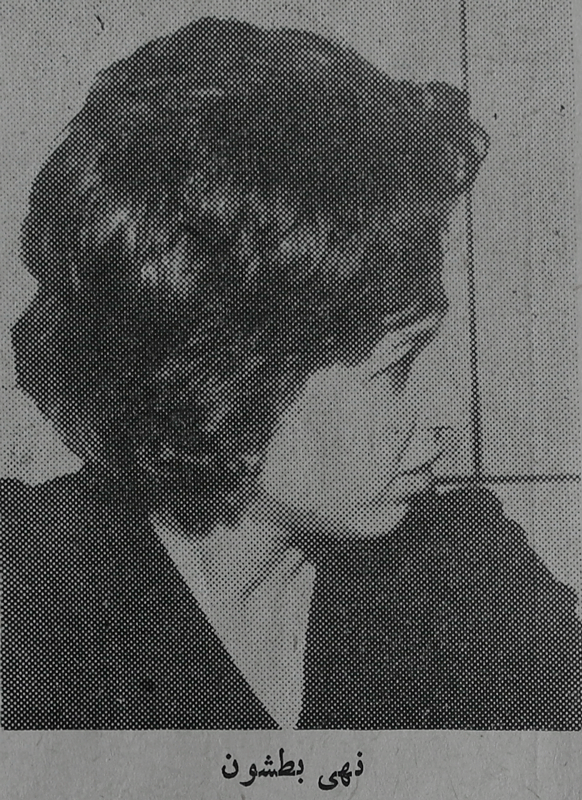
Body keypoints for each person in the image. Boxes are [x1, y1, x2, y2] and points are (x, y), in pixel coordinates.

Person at [1, 17, 580, 731]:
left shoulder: (467, 577)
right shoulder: (25, 590)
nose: (445, 415)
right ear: (224, 380)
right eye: (396, 368)